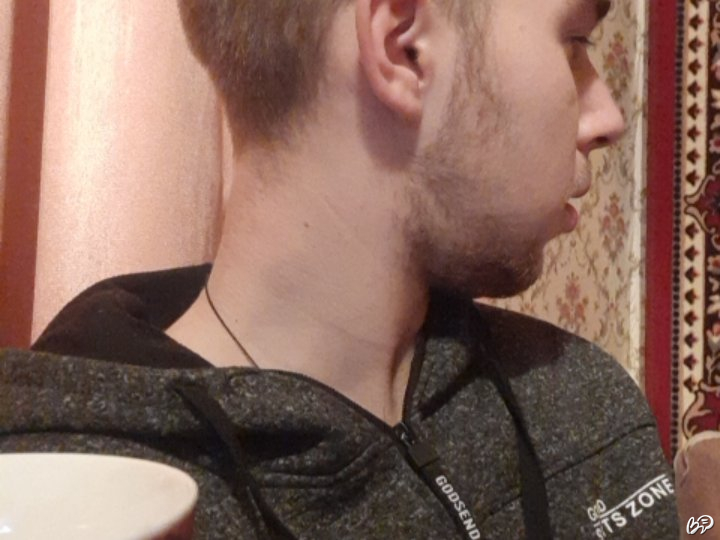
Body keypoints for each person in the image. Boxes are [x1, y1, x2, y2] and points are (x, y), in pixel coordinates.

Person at [0, 0, 678, 538]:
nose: (609, 118)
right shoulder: (69, 504)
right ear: (404, 48)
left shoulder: (584, 410)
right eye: (574, 42)